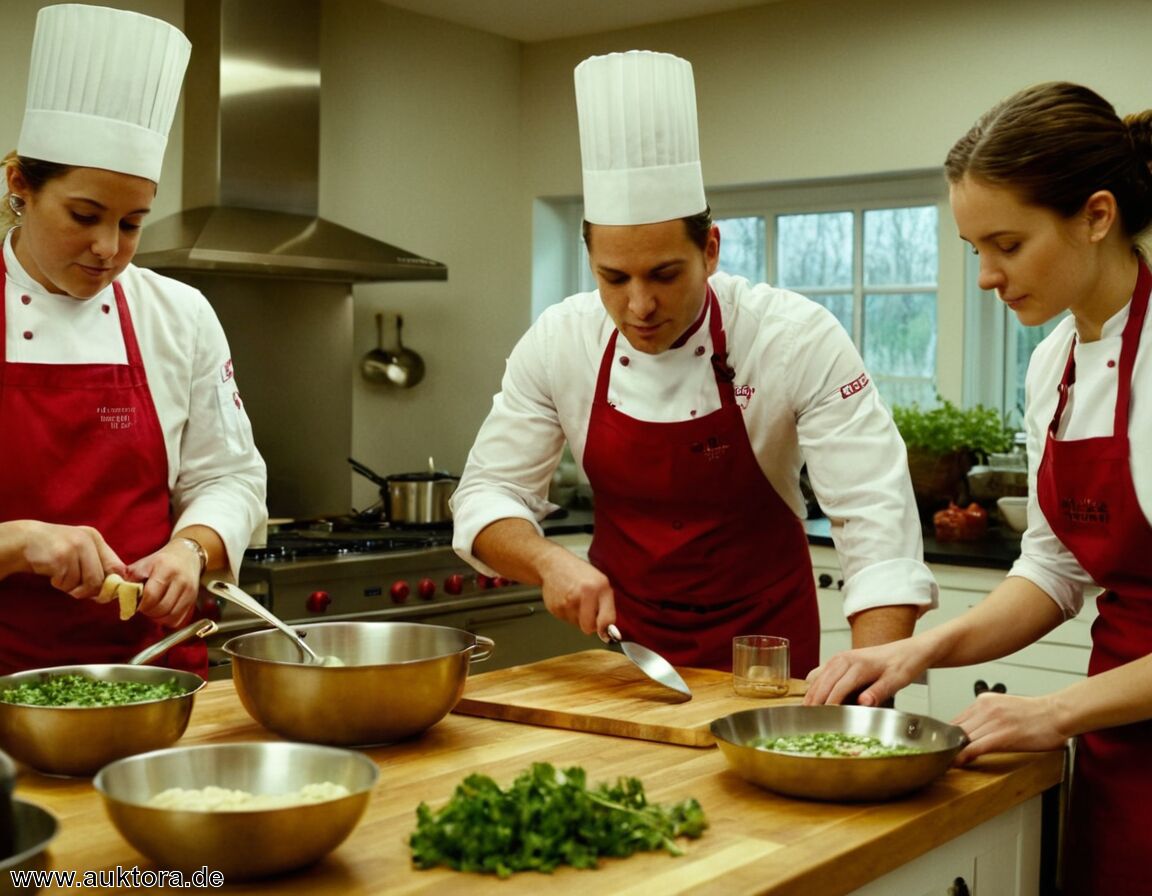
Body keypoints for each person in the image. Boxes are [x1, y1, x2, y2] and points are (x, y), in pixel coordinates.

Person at [450, 50, 937, 674]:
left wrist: (873, 684)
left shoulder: (794, 337)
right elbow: (487, 494)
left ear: (709, 250)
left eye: (664, 273)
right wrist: (549, 561)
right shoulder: (560, 342)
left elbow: (876, 520)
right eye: (613, 277)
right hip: (625, 651)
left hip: (768, 650)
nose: (639, 305)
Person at [803, 81, 1152, 896]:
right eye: (974, 251)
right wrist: (924, 647)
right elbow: (1055, 570)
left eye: (1007, 244)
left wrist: (1057, 710)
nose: (989, 276)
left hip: (1101, 711)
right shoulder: (1052, 365)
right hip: (1119, 735)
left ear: (1096, 216)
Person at [0, 5, 267, 677]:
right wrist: (20, 543)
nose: (108, 249)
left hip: (155, 674)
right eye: (84, 216)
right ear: (19, 187)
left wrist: (194, 549)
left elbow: (229, 475)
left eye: (132, 223)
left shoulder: (177, 314)